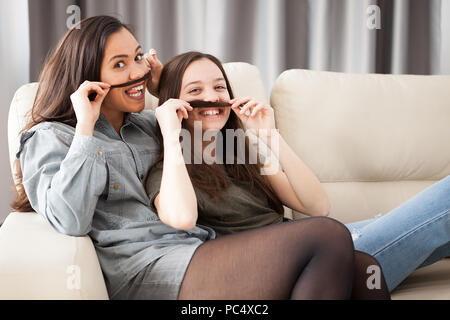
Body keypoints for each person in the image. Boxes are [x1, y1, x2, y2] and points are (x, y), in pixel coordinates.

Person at [11, 16, 388, 300]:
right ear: (89, 76)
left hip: (198, 249)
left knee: (363, 270)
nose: (137, 70)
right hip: (143, 270)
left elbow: (191, 110)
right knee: (328, 235)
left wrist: (159, 83)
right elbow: (69, 219)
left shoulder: (144, 124)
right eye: (120, 64)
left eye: (139, 57)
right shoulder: (50, 138)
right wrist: (86, 130)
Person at [146, 50, 449, 294]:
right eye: (195, 90)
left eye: (219, 87)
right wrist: (173, 136)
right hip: (295, 261)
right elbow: (181, 218)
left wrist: (270, 137)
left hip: (322, 244)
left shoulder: (240, 152)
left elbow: (316, 206)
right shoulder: (170, 170)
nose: (211, 98)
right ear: (173, 103)